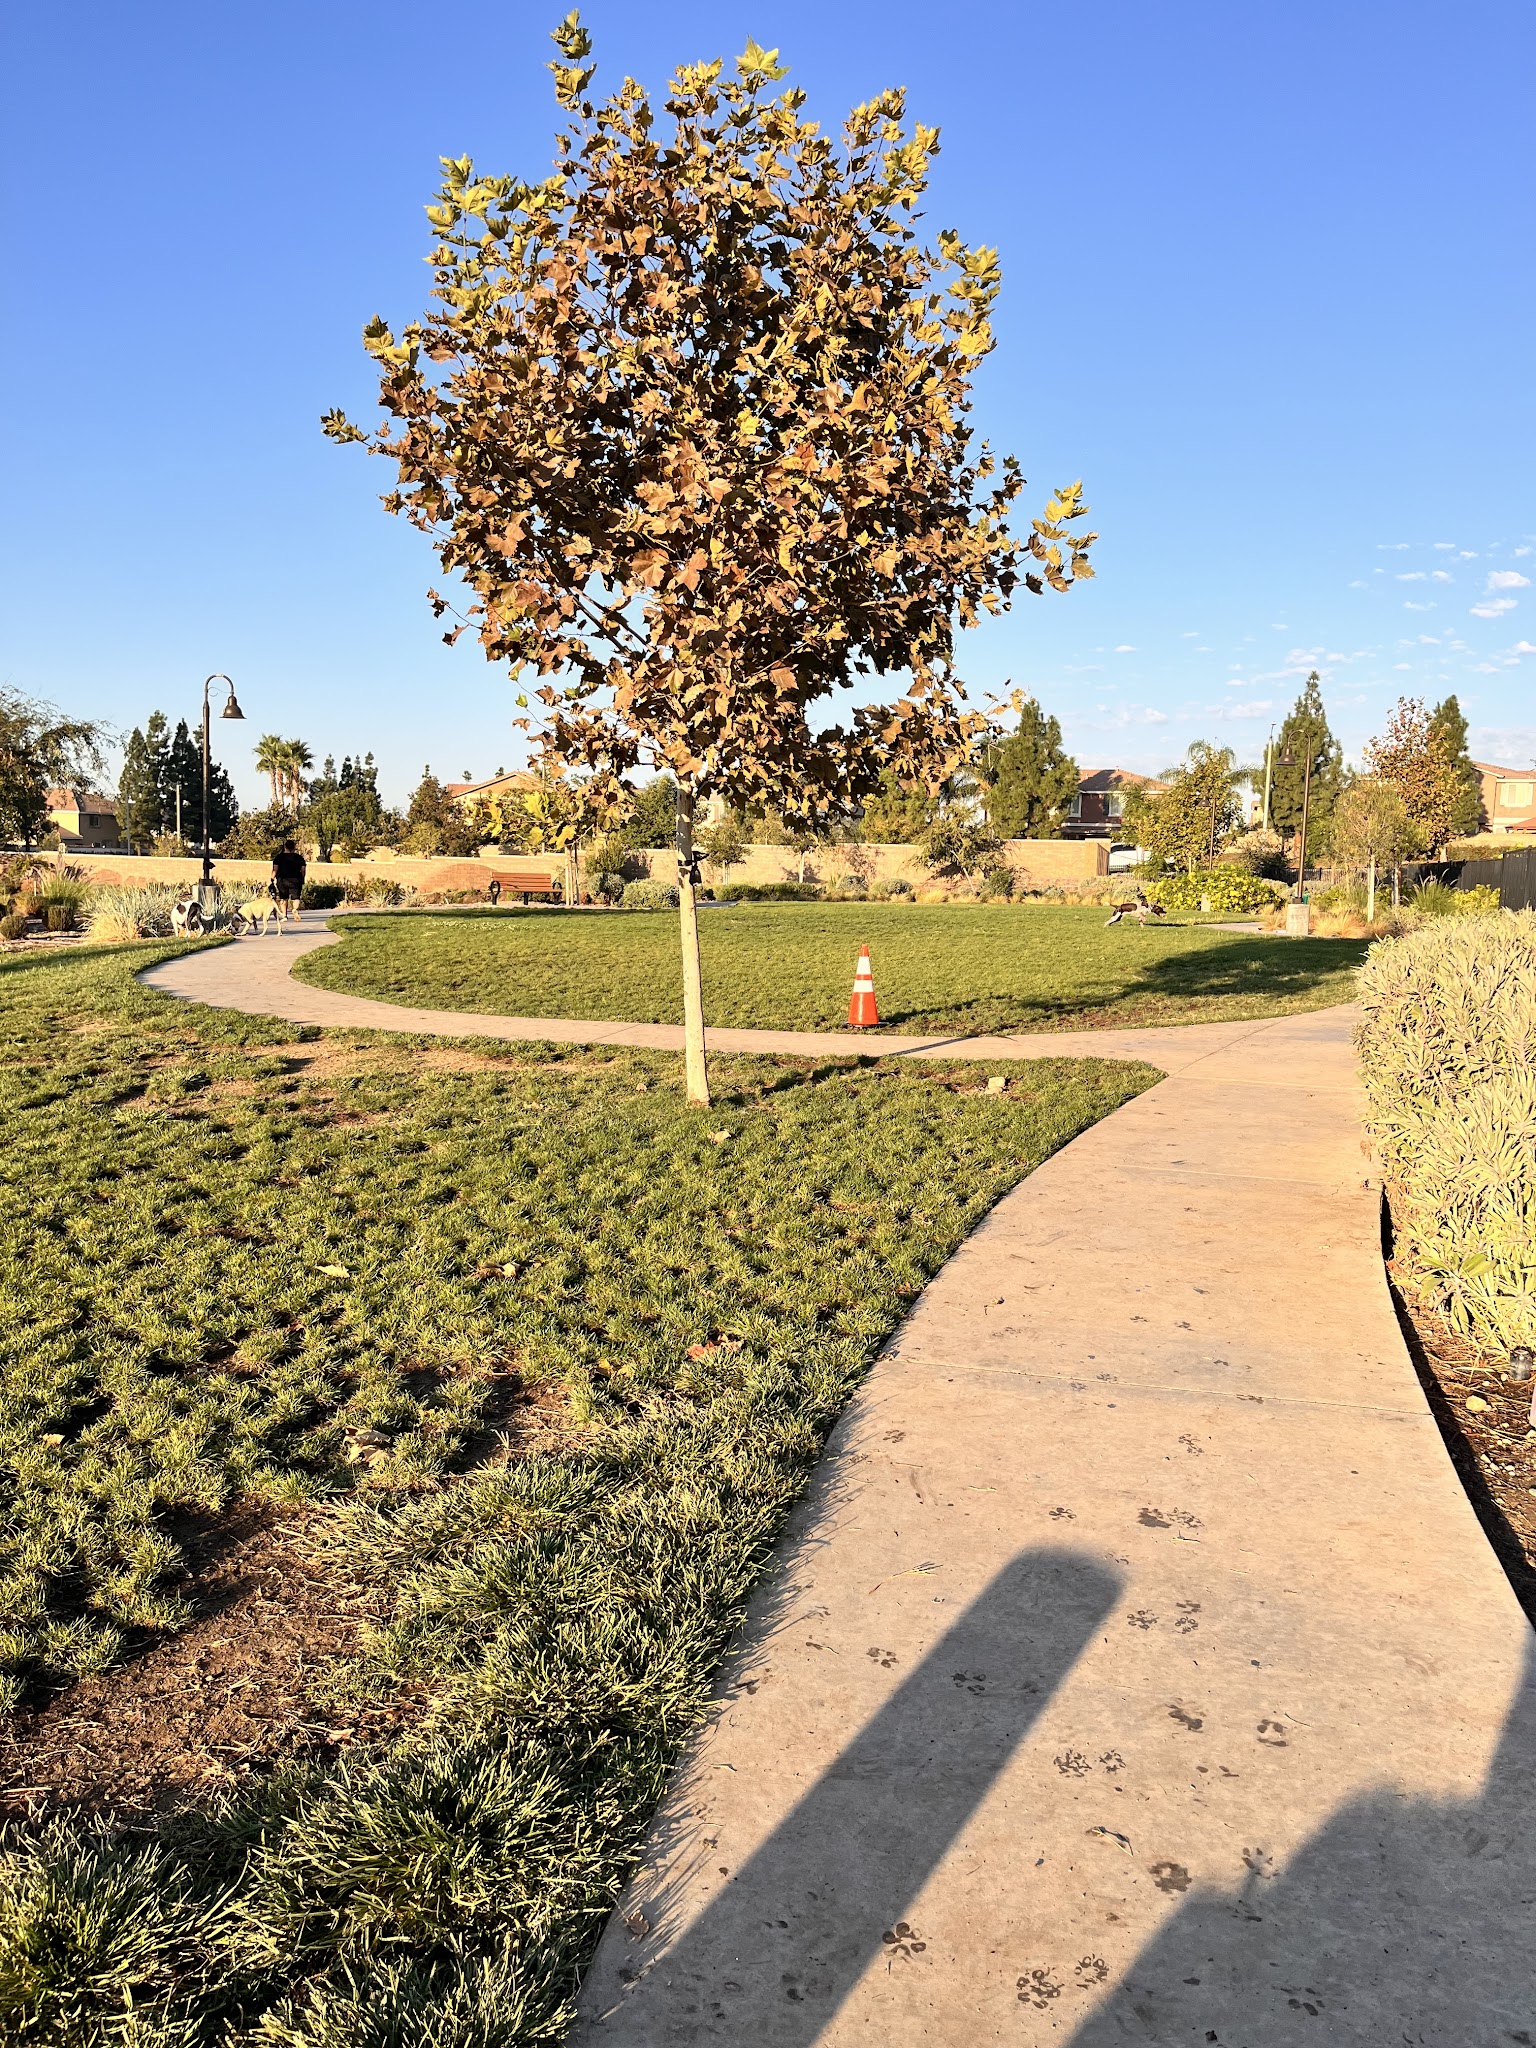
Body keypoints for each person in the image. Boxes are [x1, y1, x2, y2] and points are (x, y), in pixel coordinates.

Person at [271, 839, 307, 924]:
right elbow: (303, 870)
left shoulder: (278, 857)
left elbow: (275, 870)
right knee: (296, 898)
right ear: (294, 847)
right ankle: (294, 909)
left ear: (285, 847)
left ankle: (284, 916)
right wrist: (302, 878)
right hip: (296, 880)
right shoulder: (299, 858)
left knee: (283, 898)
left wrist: (272, 878)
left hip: (282, 880)